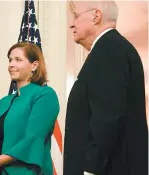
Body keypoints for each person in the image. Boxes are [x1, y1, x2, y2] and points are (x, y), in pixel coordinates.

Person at [63, 1, 148, 175]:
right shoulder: (111, 48)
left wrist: (91, 169)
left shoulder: (109, 50)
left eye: (76, 16)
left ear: (96, 16)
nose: (72, 23)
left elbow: (107, 117)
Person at [0, 42, 60, 175]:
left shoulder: (45, 95)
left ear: (34, 65)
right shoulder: (3, 102)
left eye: (18, 60)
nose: (11, 64)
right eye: (10, 60)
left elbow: (32, 140)